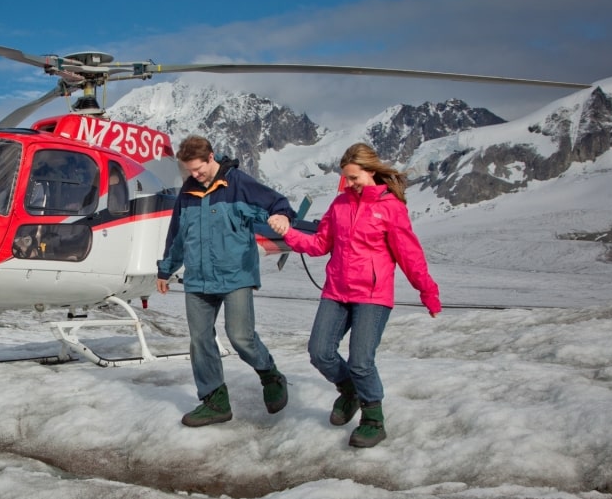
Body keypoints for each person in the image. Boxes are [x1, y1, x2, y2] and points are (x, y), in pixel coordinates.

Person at [268, 142, 441, 448]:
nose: (348, 184)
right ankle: (350, 391)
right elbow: (320, 245)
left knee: (361, 361)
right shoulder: (340, 205)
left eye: (353, 178)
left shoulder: (390, 208)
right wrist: (288, 234)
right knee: (320, 352)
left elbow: (410, 256)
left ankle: (374, 419)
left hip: (372, 296)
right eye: (346, 179)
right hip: (336, 290)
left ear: (370, 171)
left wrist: (428, 291)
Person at [157, 135, 296, 427]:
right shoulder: (188, 192)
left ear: (211, 158)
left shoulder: (238, 184)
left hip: (236, 276)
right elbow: (178, 234)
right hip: (198, 279)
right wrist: (165, 269)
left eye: (198, 169)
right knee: (200, 339)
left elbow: (278, 204)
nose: (195, 176)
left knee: (240, 337)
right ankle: (214, 401)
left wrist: (282, 216)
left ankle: (270, 374)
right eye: (190, 171)